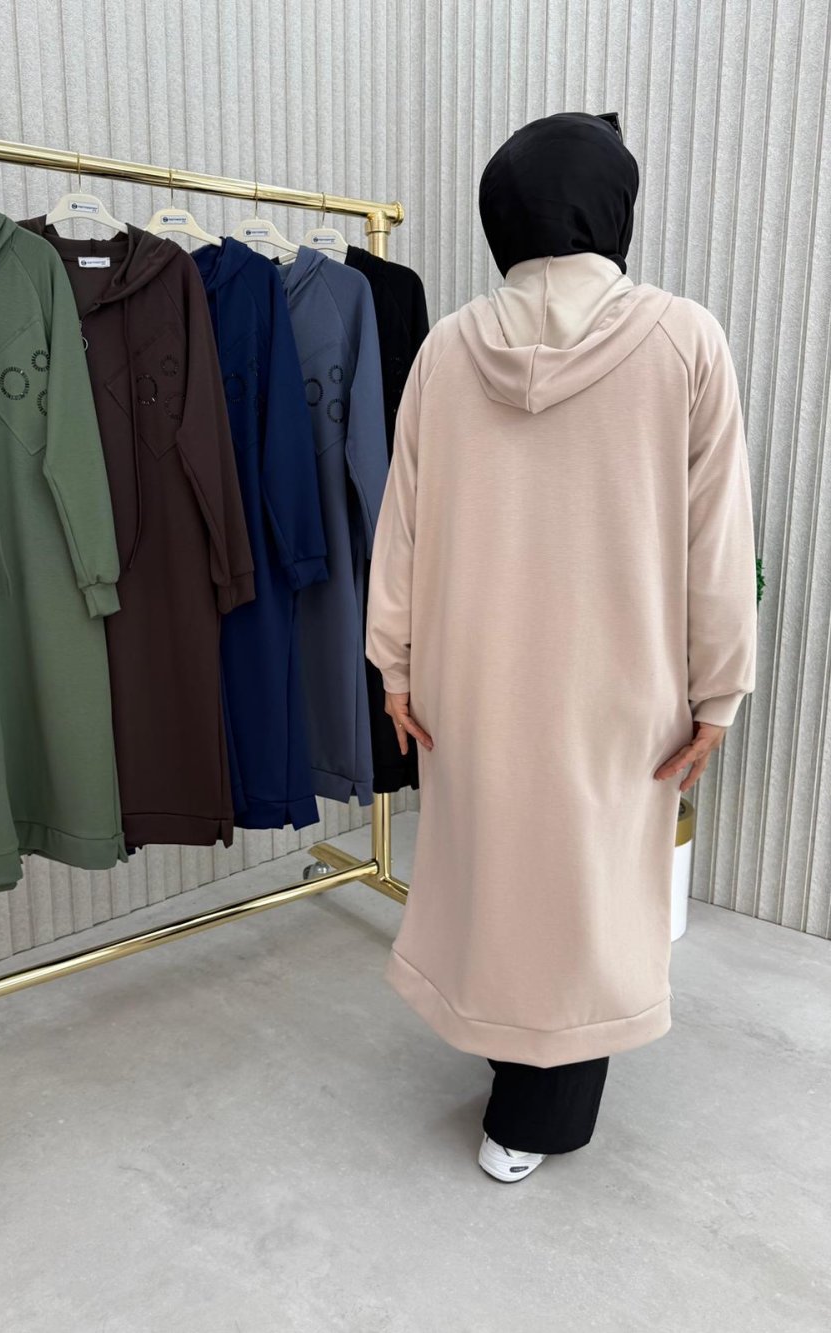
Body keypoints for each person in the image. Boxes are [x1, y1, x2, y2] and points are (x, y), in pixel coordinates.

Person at [365, 111, 758, 1182]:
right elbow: (717, 539)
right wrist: (718, 690)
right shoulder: (683, 340)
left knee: (500, 868)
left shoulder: (449, 348)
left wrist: (395, 665)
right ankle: (533, 1116)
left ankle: (517, 1069)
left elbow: (401, 525)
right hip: (620, 679)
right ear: (613, 209)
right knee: (584, 884)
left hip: (472, 675)